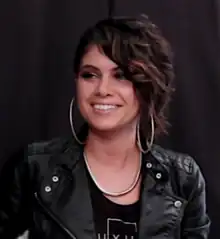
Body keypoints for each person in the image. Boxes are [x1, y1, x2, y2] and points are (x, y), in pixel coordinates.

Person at [0, 15, 210, 239]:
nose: (102, 89)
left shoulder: (183, 178)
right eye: (90, 75)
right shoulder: (34, 168)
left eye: (121, 75)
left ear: (149, 87)